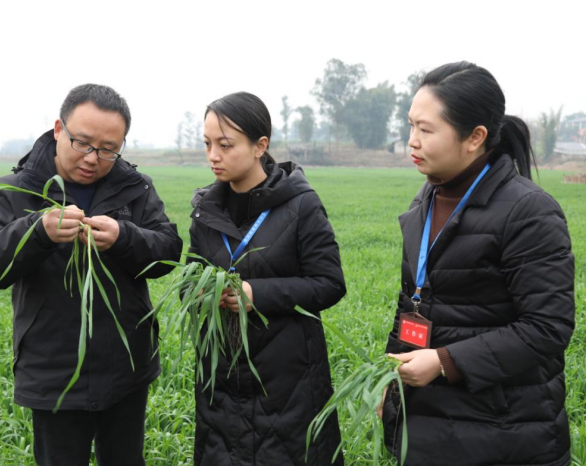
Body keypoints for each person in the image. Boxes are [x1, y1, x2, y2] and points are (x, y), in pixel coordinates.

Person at [0, 84, 183, 465]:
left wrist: (124, 237)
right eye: (82, 142)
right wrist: (37, 233)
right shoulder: (15, 192)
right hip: (54, 374)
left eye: (109, 149)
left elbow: (167, 254)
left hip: (127, 367)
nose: (93, 158)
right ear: (58, 129)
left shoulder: (136, 189)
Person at [381, 62, 575, 465]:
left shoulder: (528, 211)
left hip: (502, 430)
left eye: (426, 130)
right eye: (411, 126)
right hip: (429, 420)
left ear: (475, 138)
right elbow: (414, 301)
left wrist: (445, 361)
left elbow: (546, 327)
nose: (411, 141)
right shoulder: (426, 199)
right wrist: (391, 385)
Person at [188, 92, 346, 465]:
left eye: (225, 145)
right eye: (207, 144)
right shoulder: (204, 211)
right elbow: (189, 278)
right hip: (221, 380)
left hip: (287, 382)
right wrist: (198, 293)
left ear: (261, 146)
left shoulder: (301, 205)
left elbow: (328, 283)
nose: (213, 155)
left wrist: (255, 293)